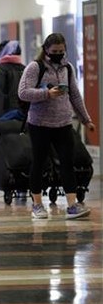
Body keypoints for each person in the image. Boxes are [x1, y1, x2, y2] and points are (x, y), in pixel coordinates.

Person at [18, 32, 96, 220]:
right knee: (39, 163)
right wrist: (46, 94)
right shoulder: (34, 67)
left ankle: (72, 205)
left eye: (61, 51)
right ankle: (37, 204)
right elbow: (23, 93)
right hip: (39, 124)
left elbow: (75, 96)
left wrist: (86, 119)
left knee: (67, 163)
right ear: (45, 50)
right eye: (54, 51)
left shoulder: (67, 69)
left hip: (63, 123)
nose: (58, 54)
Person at [0, 40, 27, 201]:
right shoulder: (24, 69)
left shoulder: (1, 70)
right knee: (20, 150)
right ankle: (22, 185)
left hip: (5, 119)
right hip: (23, 119)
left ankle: (0, 186)